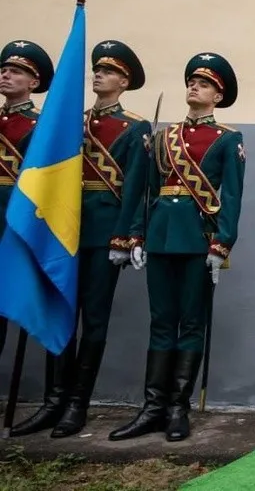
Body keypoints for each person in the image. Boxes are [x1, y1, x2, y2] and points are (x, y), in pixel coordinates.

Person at [11, 41, 151, 439]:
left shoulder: (134, 128)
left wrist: (125, 237)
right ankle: (53, 401)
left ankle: (77, 403)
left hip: (104, 233)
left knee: (94, 319)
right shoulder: (71, 119)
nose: (98, 76)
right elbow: (38, 162)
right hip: (63, 229)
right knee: (59, 313)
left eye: (107, 72)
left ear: (123, 82)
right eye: (96, 70)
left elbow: (136, 186)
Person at [110, 53, 245, 443]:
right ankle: (152, 407)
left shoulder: (227, 139)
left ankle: (177, 408)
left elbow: (232, 197)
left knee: (191, 323)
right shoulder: (164, 136)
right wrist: (136, 234)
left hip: (197, 238)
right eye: (191, 82)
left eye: (203, 84)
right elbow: (146, 189)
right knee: (161, 322)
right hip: (162, 237)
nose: (193, 87)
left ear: (217, 96)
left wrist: (222, 243)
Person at [0, 40, 53, 366]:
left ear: (33, 83)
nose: (6, 76)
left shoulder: (39, 125)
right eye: (4, 70)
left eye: (16, 72)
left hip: (11, 219)